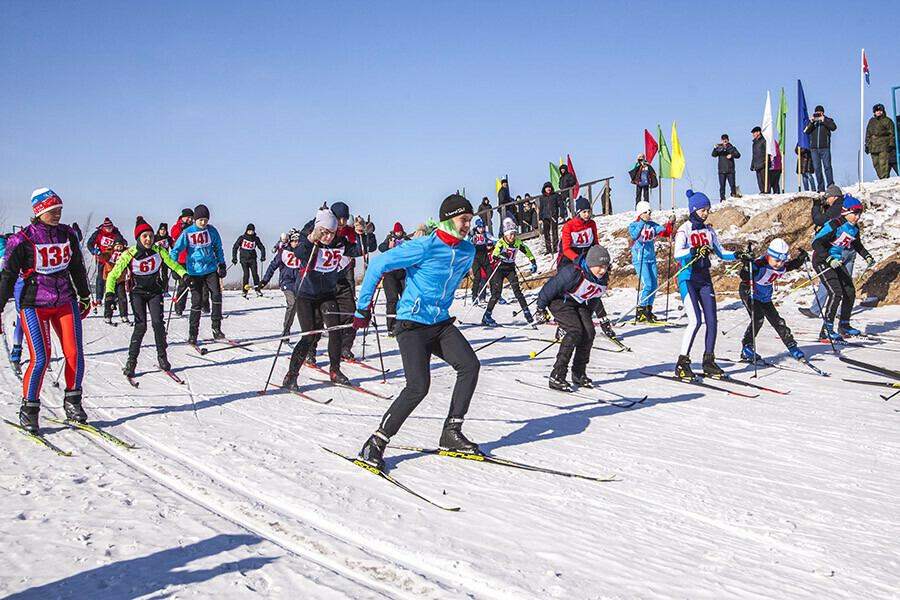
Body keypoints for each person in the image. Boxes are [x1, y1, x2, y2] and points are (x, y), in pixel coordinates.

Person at [353, 194, 478, 470]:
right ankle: (375, 442)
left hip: (440, 322)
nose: (468, 225)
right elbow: (377, 265)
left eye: (470, 220)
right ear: (448, 220)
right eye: (463, 220)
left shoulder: (467, 251)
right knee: (418, 386)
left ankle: (451, 432)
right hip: (411, 323)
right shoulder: (424, 246)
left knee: (469, 365)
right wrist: (362, 309)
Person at [0, 188, 91, 434]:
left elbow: (77, 267)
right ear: (39, 211)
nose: (57, 214)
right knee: (40, 358)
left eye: (59, 210)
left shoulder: (67, 234)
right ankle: (29, 409)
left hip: (65, 300)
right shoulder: (22, 240)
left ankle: (73, 402)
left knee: (74, 354)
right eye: (52, 210)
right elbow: (7, 276)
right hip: (34, 303)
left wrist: (84, 295)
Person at [673, 189, 749, 379]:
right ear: (694, 209)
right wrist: (694, 250)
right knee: (695, 321)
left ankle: (708, 361)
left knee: (712, 320)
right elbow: (677, 254)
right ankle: (682, 362)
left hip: (704, 278)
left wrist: (739, 255)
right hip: (687, 278)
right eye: (702, 210)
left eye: (708, 210)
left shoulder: (709, 230)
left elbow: (722, 253)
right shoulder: (685, 229)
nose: (706, 214)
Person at [281, 208, 361, 390]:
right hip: (306, 296)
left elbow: (362, 249)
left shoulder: (339, 243)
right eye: (324, 233)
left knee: (335, 330)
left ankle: (335, 370)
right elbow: (300, 253)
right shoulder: (309, 241)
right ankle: (291, 375)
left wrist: (364, 233)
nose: (328, 237)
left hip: (326, 294)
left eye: (332, 233)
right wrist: (311, 238)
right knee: (309, 336)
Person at [108, 218, 187, 377]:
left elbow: (173, 264)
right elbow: (113, 275)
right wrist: (110, 294)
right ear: (138, 238)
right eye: (144, 236)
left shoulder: (159, 251)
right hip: (137, 292)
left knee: (158, 324)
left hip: (154, 292)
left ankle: (162, 357)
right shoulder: (129, 253)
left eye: (151, 236)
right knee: (141, 326)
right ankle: (131, 362)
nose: (148, 239)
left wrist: (184, 275)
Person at [534, 245, 611, 391]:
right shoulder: (572, 273)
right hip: (559, 301)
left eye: (605, 267)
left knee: (589, 332)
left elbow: (595, 297)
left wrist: (587, 315)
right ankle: (557, 375)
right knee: (575, 331)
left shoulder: (602, 278)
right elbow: (550, 288)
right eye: (599, 267)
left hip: (578, 302)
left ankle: (578, 374)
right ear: (590, 263)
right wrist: (540, 309)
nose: (602, 270)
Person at [811, 195, 875, 341]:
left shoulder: (853, 228)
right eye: (855, 213)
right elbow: (816, 243)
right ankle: (826, 330)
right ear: (846, 212)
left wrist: (867, 256)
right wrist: (828, 258)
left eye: (859, 213)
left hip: (836, 261)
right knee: (836, 293)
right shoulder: (835, 224)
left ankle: (844, 325)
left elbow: (857, 244)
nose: (857, 217)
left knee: (850, 292)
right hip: (822, 260)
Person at [738, 239, 807, 362]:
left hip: (764, 296)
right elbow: (744, 275)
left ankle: (791, 345)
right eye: (776, 260)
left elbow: (791, 266)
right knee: (758, 319)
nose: (779, 264)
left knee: (778, 321)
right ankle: (747, 348)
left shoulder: (781, 266)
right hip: (749, 293)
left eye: (782, 261)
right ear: (769, 255)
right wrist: (746, 264)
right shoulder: (759, 265)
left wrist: (801, 259)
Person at [170, 204, 227, 345]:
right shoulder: (187, 233)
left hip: (210, 269)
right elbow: (175, 251)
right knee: (197, 301)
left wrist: (222, 264)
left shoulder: (211, 231)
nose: (203, 223)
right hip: (194, 272)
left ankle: (216, 328)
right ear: (195, 219)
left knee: (216, 295)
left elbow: (218, 248)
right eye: (200, 220)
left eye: (206, 220)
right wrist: (175, 269)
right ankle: (193, 334)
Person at [330, 201, 376, 359]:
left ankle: (345, 347)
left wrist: (365, 233)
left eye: (344, 219)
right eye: (338, 219)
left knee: (350, 313)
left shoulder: (350, 232)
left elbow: (364, 248)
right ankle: (310, 351)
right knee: (323, 318)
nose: (341, 223)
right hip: (324, 280)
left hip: (342, 277)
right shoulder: (326, 230)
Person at [798, 184, 846, 319]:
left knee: (830, 277)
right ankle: (837, 311)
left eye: (828, 198)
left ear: (834, 196)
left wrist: (815, 207)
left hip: (836, 248)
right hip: (846, 247)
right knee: (840, 281)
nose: (827, 200)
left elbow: (819, 220)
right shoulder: (843, 206)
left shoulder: (837, 207)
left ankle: (817, 310)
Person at [482, 217, 537, 326]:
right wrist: (500, 255)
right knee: (497, 292)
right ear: (505, 235)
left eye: (514, 234)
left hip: (510, 268)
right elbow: (495, 254)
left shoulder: (517, 242)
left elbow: (526, 250)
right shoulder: (501, 242)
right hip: (500, 269)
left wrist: (533, 261)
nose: (512, 237)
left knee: (517, 291)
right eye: (510, 234)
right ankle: (487, 315)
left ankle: (527, 313)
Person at [628, 201, 675, 322]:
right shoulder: (634, 225)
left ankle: (649, 310)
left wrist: (670, 223)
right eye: (645, 212)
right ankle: (641, 310)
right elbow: (634, 235)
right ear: (640, 213)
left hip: (651, 258)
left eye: (650, 212)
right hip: (640, 257)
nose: (648, 214)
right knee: (647, 284)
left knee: (654, 285)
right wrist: (642, 222)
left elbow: (666, 233)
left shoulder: (652, 225)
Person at [260, 228, 303, 338]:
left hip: (299, 282)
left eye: (298, 241)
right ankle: (286, 331)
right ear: (290, 241)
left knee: (303, 305)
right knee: (292, 303)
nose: (296, 243)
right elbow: (273, 266)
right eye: (294, 241)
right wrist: (265, 280)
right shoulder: (284, 251)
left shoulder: (303, 252)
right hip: (287, 281)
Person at [378, 222, 409, 336]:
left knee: (406, 299)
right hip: (390, 273)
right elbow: (380, 248)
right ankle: (391, 326)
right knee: (392, 300)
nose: (398, 234)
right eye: (397, 232)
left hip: (403, 273)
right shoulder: (389, 239)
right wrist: (388, 246)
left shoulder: (407, 239)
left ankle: (406, 323)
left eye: (400, 232)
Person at [87, 217, 121, 303]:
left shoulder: (116, 233)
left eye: (110, 228)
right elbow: (90, 243)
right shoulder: (98, 233)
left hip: (112, 259)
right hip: (101, 258)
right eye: (107, 228)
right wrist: (93, 250)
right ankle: (99, 298)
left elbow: (121, 241)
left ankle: (115, 296)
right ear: (104, 228)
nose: (109, 230)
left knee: (113, 277)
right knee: (100, 277)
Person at [803, 104, 837, 191]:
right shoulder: (813, 123)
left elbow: (833, 127)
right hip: (814, 149)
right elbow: (806, 131)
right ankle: (820, 187)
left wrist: (824, 120)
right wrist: (811, 122)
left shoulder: (828, 120)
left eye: (819, 113)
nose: (818, 114)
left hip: (825, 147)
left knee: (827, 167)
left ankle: (830, 185)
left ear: (823, 113)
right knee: (817, 169)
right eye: (816, 113)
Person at [170, 208, 194, 316]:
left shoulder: (194, 227)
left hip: (192, 258)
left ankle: (200, 305)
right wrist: (182, 229)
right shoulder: (177, 226)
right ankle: (179, 307)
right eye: (188, 217)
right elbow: (173, 234)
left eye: (191, 218)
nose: (189, 220)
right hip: (181, 259)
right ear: (182, 217)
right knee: (182, 285)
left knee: (196, 284)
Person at [100, 236, 129, 324]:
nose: (119, 247)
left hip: (120, 279)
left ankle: (124, 315)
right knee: (109, 297)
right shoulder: (109, 253)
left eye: (121, 246)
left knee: (122, 298)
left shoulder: (126, 253)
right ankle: (108, 315)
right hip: (109, 279)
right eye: (117, 245)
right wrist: (98, 254)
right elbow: (102, 256)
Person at [232, 223, 266, 298]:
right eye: (249, 231)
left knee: (255, 274)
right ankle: (245, 291)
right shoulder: (242, 238)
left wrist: (263, 256)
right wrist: (234, 258)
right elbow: (235, 247)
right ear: (246, 231)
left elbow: (261, 247)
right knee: (246, 274)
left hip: (252, 258)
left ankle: (258, 289)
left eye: (252, 231)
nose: (250, 233)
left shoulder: (255, 239)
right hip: (244, 259)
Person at [468, 217, 496, 305]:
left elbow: (493, 239)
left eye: (482, 227)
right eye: (480, 227)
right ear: (476, 227)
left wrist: (501, 241)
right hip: (476, 257)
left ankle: (496, 295)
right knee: (478, 278)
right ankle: (474, 295)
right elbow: (466, 242)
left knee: (491, 276)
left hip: (484, 256)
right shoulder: (472, 233)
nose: (481, 229)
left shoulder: (485, 233)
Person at [865, 103, 896, 180]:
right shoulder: (871, 121)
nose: (879, 112)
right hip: (873, 145)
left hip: (883, 145)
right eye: (877, 111)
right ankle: (881, 178)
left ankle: (884, 179)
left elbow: (892, 133)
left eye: (880, 110)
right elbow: (868, 133)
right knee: (876, 164)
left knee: (883, 164)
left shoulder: (887, 121)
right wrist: (867, 145)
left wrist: (891, 144)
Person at [712, 134, 741, 200]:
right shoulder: (719, 148)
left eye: (726, 139)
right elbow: (713, 155)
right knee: (722, 186)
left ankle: (733, 196)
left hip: (730, 170)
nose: (724, 141)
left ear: (728, 140)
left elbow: (738, 155)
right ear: (721, 140)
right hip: (721, 170)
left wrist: (731, 155)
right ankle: (722, 199)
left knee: (732, 185)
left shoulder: (732, 148)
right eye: (723, 139)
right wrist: (715, 148)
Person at [539, 181, 560, 255]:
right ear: (544, 189)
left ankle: (555, 248)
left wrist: (561, 215)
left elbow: (560, 205)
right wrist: (540, 218)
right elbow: (540, 208)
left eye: (549, 187)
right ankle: (548, 249)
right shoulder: (542, 198)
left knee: (554, 232)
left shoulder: (555, 195)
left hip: (554, 216)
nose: (548, 189)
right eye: (547, 188)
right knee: (546, 233)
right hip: (545, 217)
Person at [154, 222, 174, 295]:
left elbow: (173, 247)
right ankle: (159, 288)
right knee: (156, 274)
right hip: (156, 259)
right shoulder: (155, 238)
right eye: (161, 230)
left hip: (165, 259)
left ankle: (165, 290)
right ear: (159, 230)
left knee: (165, 275)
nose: (163, 231)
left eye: (164, 230)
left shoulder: (168, 238)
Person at [750, 127, 768, 193]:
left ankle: (767, 191)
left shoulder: (763, 141)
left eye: (754, 133)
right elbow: (754, 154)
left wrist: (766, 161)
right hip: (757, 164)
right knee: (759, 180)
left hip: (763, 163)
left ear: (758, 132)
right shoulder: (754, 143)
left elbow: (767, 152)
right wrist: (752, 164)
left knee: (765, 179)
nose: (753, 134)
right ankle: (762, 191)